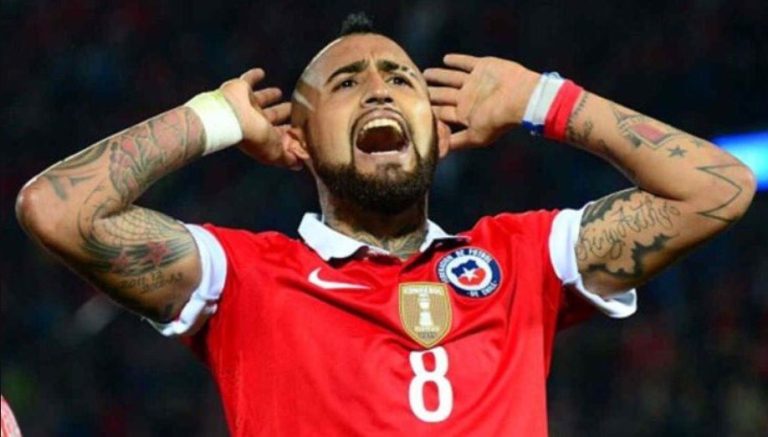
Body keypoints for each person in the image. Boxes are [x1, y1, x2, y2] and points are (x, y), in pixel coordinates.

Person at [15, 13, 755, 436]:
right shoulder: (242, 278)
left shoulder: (524, 257)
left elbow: (718, 187)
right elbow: (55, 208)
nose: (379, 91)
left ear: (438, 132)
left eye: (401, 79)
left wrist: (548, 101)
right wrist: (210, 118)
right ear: (299, 141)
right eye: (347, 82)